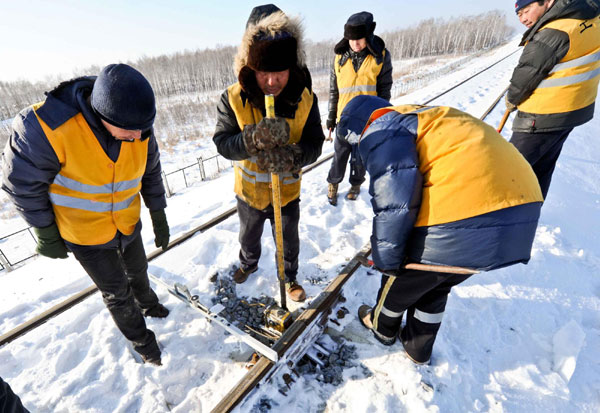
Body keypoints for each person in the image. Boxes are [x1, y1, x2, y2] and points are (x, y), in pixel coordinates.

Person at [339, 95, 543, 364]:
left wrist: (387, 262)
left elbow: (395, 204)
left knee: (403, 274)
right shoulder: (420, 116)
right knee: (439, 279)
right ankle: (418, 346)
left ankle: (382, 326)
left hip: (471, 217)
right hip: (520, 213)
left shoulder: (381, 128)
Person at [2, 64, 171, 366]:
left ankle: (148, 303)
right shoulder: (44, 127)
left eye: (143, 129)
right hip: (85, 237)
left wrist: (158, 211)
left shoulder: (137, 121)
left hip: (127, 223)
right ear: (104, 116)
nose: (138, 136)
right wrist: (45, 232)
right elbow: (21, 183)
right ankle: (143, 343)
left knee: (139, 270)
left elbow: (151, 170)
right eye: (130, 130)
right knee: (117, 293)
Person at [212, 4, 325, 302]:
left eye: (280, 73)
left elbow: (316, 141)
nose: (272, 82)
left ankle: (290, 278)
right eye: (264, 73)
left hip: (286, 194)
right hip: (249, 194)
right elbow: (223, 143)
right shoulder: (232, 98)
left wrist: (294, 156)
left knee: (288, 242)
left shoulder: (304, 99)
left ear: (292, 66)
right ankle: (248, 265)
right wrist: (251, 139)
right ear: (251, 65)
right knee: (248, 238)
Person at [506, 0, 600, 198]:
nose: (523, 18)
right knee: (542, 167)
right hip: (572, 110)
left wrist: (511, 99)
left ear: (547, 2)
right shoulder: (589, 16)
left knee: (508, 172)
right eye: (519, 15)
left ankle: (499, 220)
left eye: (526, 10)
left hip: (541, 115)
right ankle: (530, 212)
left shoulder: (553, 32)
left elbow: (526, 76)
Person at [325, 11, 392, 205]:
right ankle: (333, 184)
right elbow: (333, 91)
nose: (355, 43)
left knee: (360, 158)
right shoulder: (339, 58)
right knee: (339, 156)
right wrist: (330, 117)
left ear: (368, 36)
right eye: (351, 39)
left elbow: (384, 89)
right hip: (343, 118)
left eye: (359, 39)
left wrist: (382, 114)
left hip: (367, 119)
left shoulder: (380, 57)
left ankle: (355, 185)